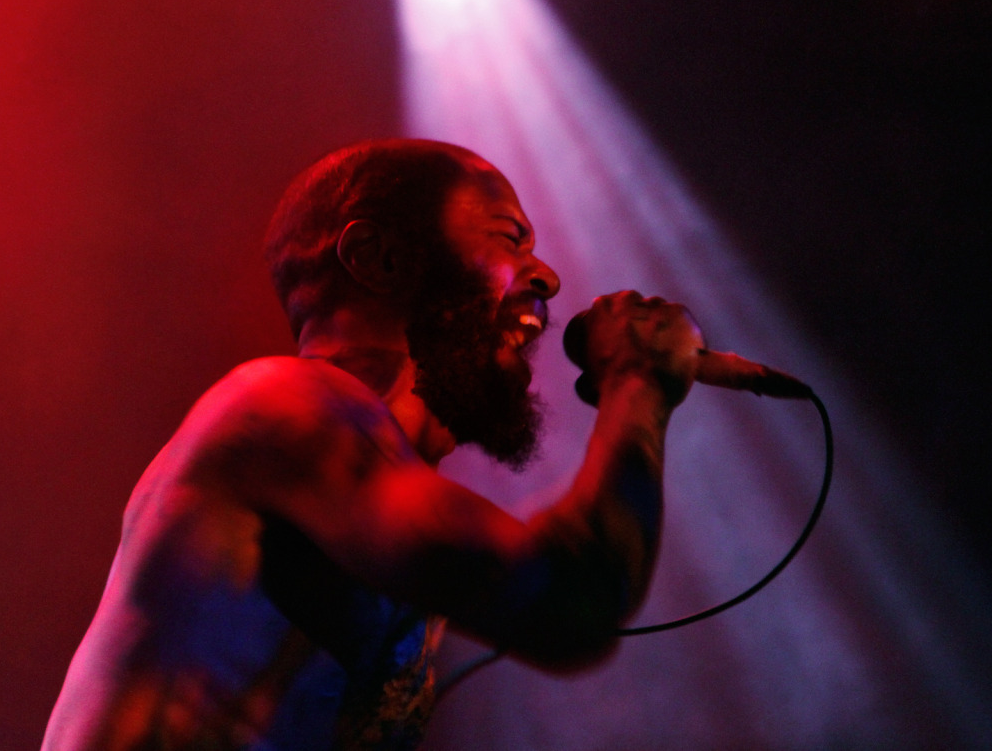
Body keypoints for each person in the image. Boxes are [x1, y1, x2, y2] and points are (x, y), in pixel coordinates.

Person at [42, 138, 704, 750]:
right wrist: (639, 376)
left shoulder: (375, 493)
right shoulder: (279, 405)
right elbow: (570, 602)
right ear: (378, 258)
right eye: (510, 238)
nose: (549, 277)